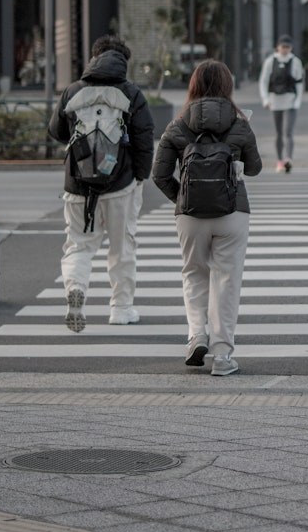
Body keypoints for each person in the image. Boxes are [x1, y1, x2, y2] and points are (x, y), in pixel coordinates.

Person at [152, 60, 263, 377]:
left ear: (193, 86)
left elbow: (159, 175)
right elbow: (254, 168)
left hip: (190, 215)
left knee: (194, 274)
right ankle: (223, 356)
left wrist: (184, 199)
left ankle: (196, 337)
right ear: (227, 86)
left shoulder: (177, 125)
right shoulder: (239, 123)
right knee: (227, 281)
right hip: (232, 211)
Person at [49, 35, 156, 332]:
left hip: (77, 186)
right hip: (120, 185)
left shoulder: (73, 91)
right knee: (122, 248)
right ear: (124, 62)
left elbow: (56, 132)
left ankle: (76, 287)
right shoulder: (131, 94)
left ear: (94, 58)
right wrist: (139, 176)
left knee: (78, 246)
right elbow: (145, 141)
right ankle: (121, 309)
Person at [258, 35, 305, 174]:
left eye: (288, 47)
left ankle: (288, 159)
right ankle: (280, 161)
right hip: (275, 101)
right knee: (278, 133)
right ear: (278, 47)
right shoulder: (270, 61)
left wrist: (297, 101)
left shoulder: (295, 62)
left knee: (288, 132)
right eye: (283, 46)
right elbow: (264, 81)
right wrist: (265, 99)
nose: (285, 49)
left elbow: (300, 82)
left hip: (290, 100)